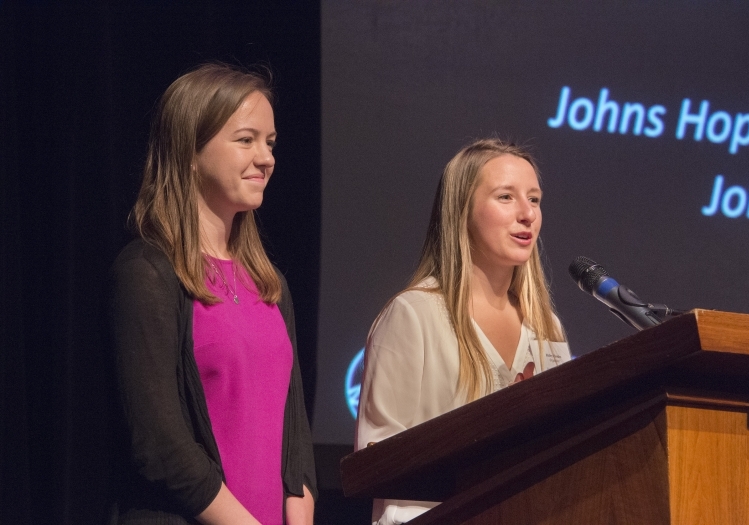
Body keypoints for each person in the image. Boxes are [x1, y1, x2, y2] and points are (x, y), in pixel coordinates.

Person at [109, 63, 316, 525]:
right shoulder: (147, 273)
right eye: (246, 140)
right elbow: (160, 446)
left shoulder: (270, 284)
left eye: (270, 142)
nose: (266, 158)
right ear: (189, 151)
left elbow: (295, 437)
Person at [355, 138, 571, 525]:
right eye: (506, 197)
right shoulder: (414, 314)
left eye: (534, 199)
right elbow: (379, 461)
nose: (527, 214)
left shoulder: (547, 328)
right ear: (461, 211)